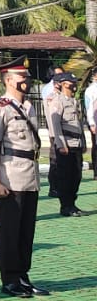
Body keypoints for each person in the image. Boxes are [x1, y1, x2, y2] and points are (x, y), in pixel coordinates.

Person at [0, 57, 49, 298]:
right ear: (9, 80)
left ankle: (23, 275)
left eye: (27, 76)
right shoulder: (0, 108)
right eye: (22, 77)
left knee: (26, 230)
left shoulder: (29, 107)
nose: (27, 80)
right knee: (11, 231)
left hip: (29, 174)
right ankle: (10, 278)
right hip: (10, 174)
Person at [46, 72, 85, 217]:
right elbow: (56, 125)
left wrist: (84, 143)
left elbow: (79, 124)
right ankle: (66, 206)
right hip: (66, 144)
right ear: (63, 84)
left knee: (76, 176)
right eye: (71, 82)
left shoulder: (74, 101)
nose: (74, 85)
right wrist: (61, 144)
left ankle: (73, 203)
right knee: (66, 177)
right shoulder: (58, 101)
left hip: (77, 143)